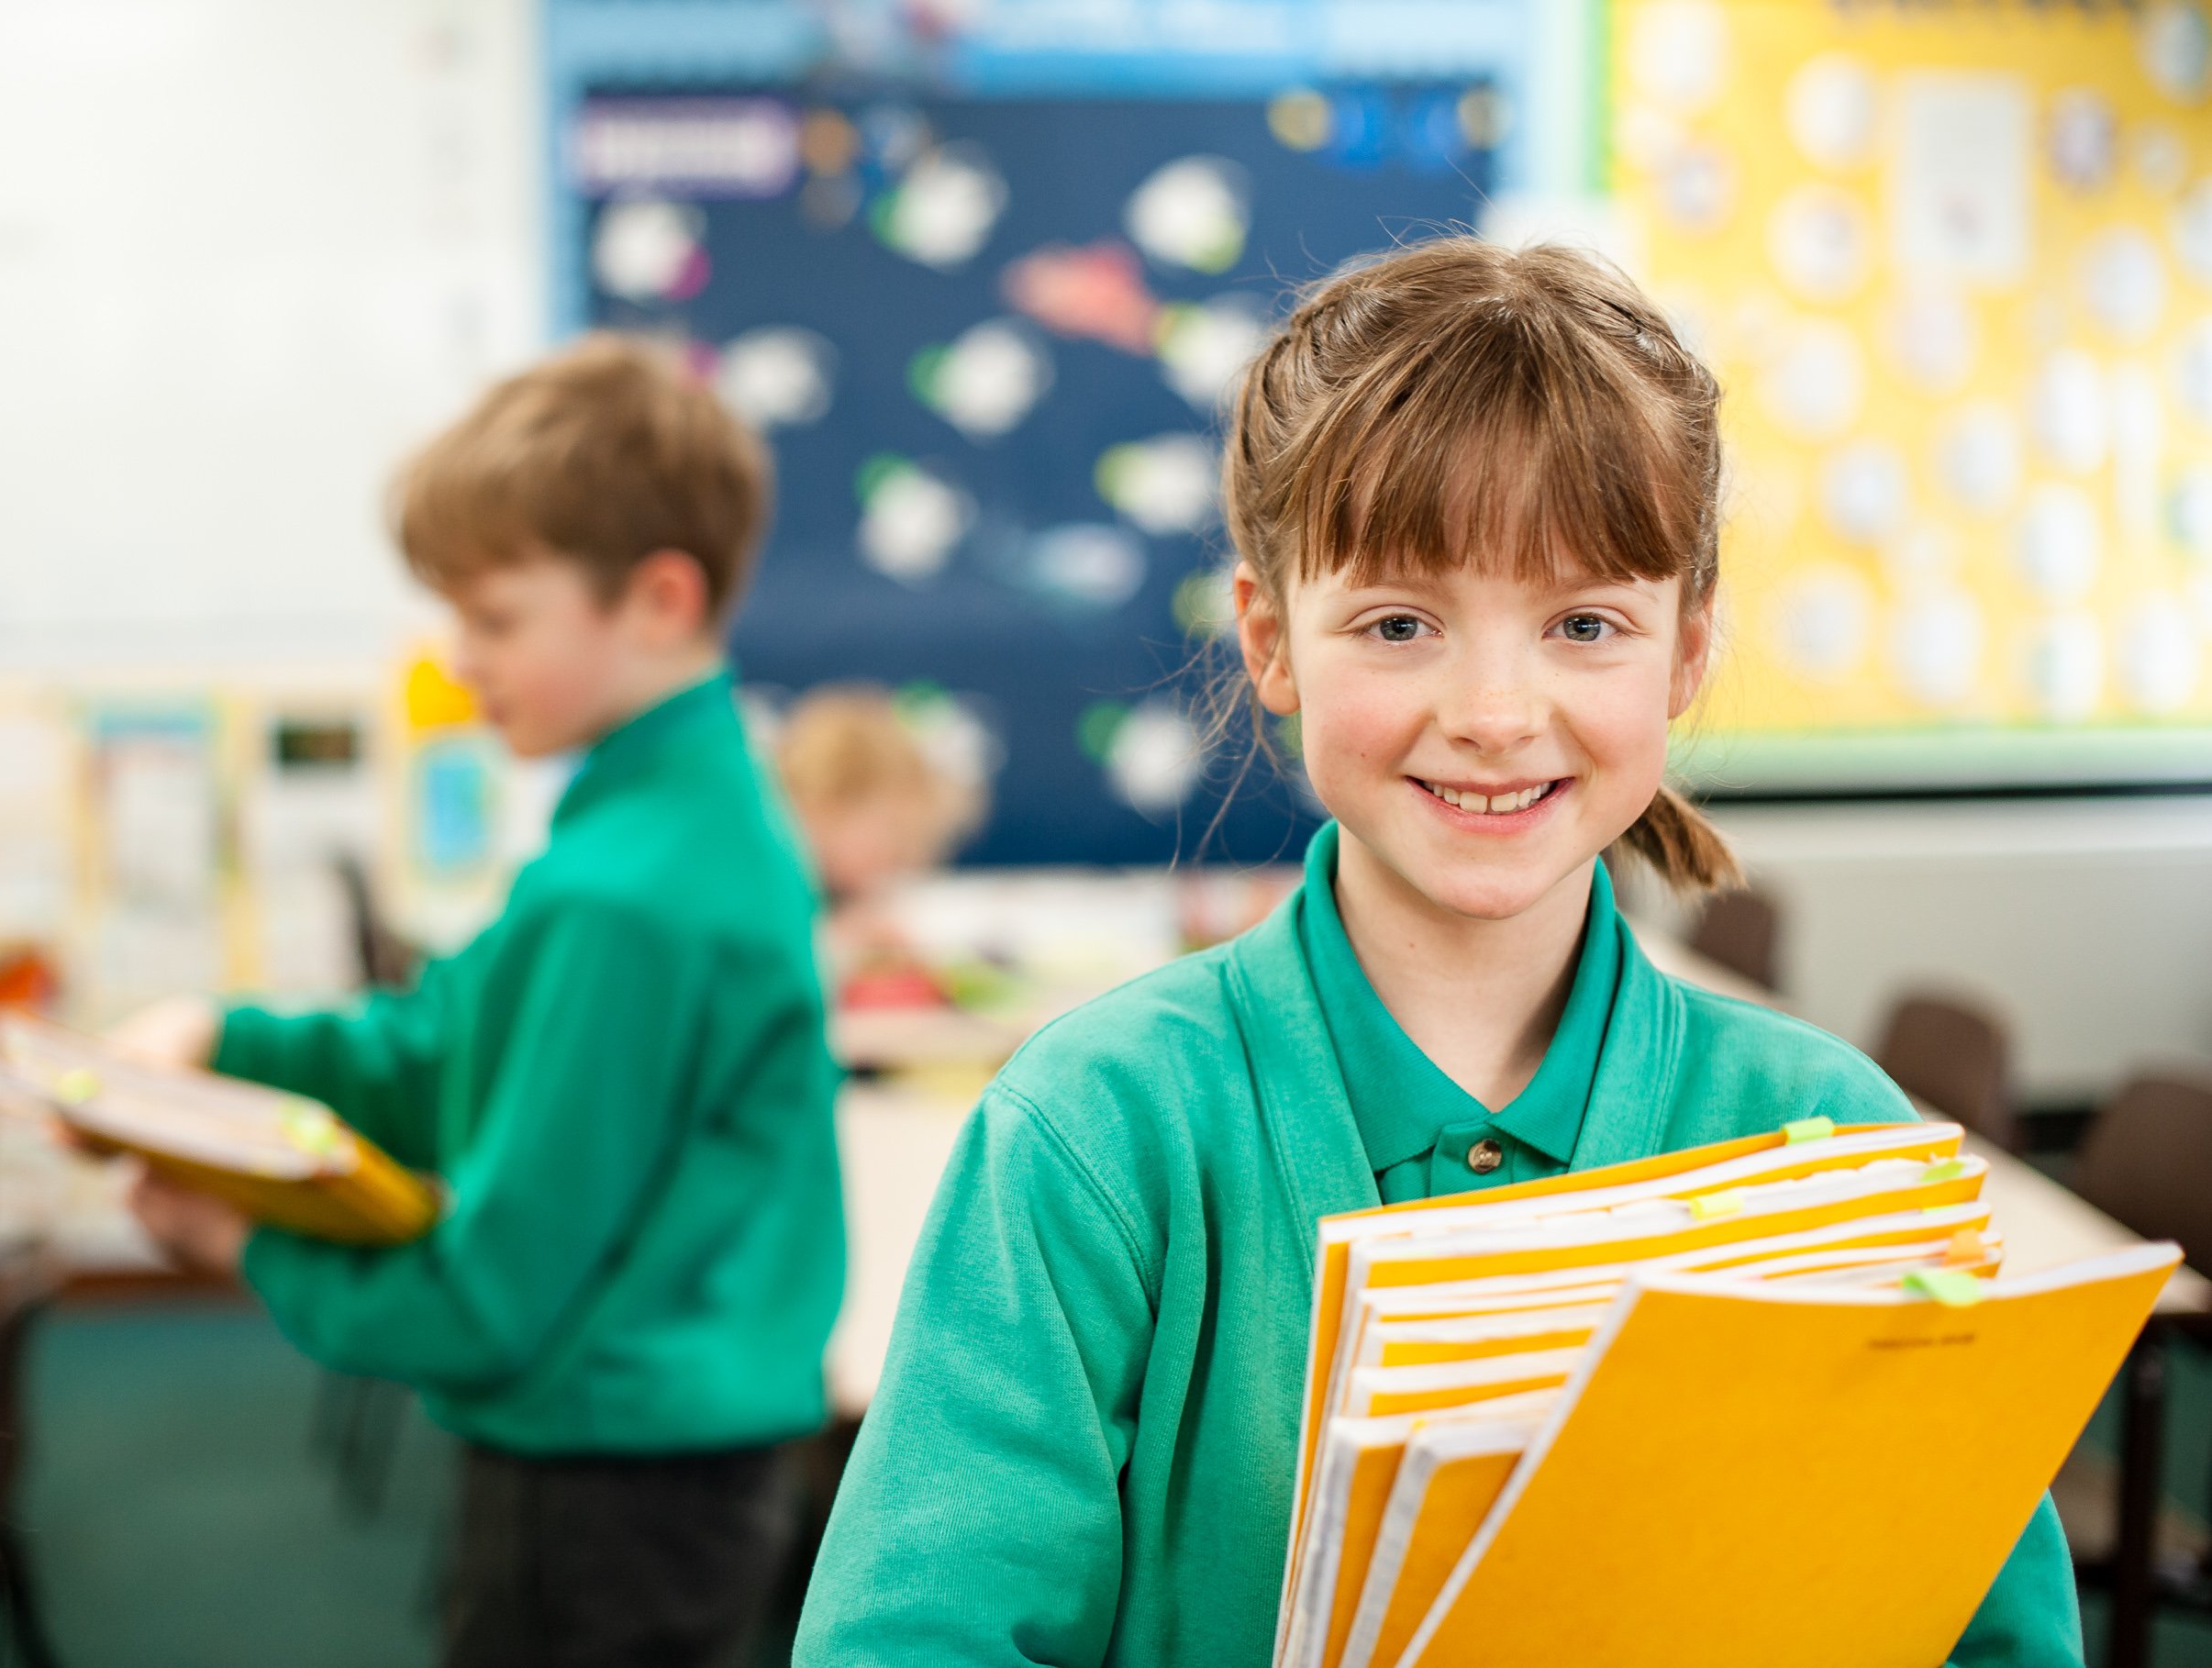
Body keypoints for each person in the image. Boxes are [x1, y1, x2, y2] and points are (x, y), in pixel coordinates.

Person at [792, 240, 2080, 1666]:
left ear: (1688, 650)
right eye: (1400, 622)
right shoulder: (1096, 1133)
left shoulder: (1827, 1142)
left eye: (1585, 623)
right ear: (1273, 642)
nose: (1491, 709)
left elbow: (1984, 1633)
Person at [117, 336, 844, 1668]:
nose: (458, 661)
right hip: (671, 1451)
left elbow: (482, 1302)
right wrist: (225, 1038)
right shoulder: (672, 813)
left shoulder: (624, 892)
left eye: (496, 619)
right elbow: (454, 1036)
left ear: (659, 598)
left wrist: (242, 1246)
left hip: (608, 1476)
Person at [772, 684, 984, 986]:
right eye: (893, 839)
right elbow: (768, 972)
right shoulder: (769, 879)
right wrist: (844, 940)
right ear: (828, 803)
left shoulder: (843, 892)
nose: (896, 863)